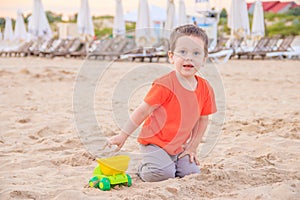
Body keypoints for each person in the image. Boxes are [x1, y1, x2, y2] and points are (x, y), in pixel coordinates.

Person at [106, 24, 217, 182]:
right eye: (183, 52)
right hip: (154, 143)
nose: (189, 58)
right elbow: (142, 111)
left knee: (191, 173)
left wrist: (193, 146)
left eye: (196, 53)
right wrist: (122, 135)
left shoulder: (205, 88)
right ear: (171, 56)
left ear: (204, 59)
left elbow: (203, 120)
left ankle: (169, 162)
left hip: (179, 146)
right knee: (161, 174)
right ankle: (142, 165)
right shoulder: (164, 85)